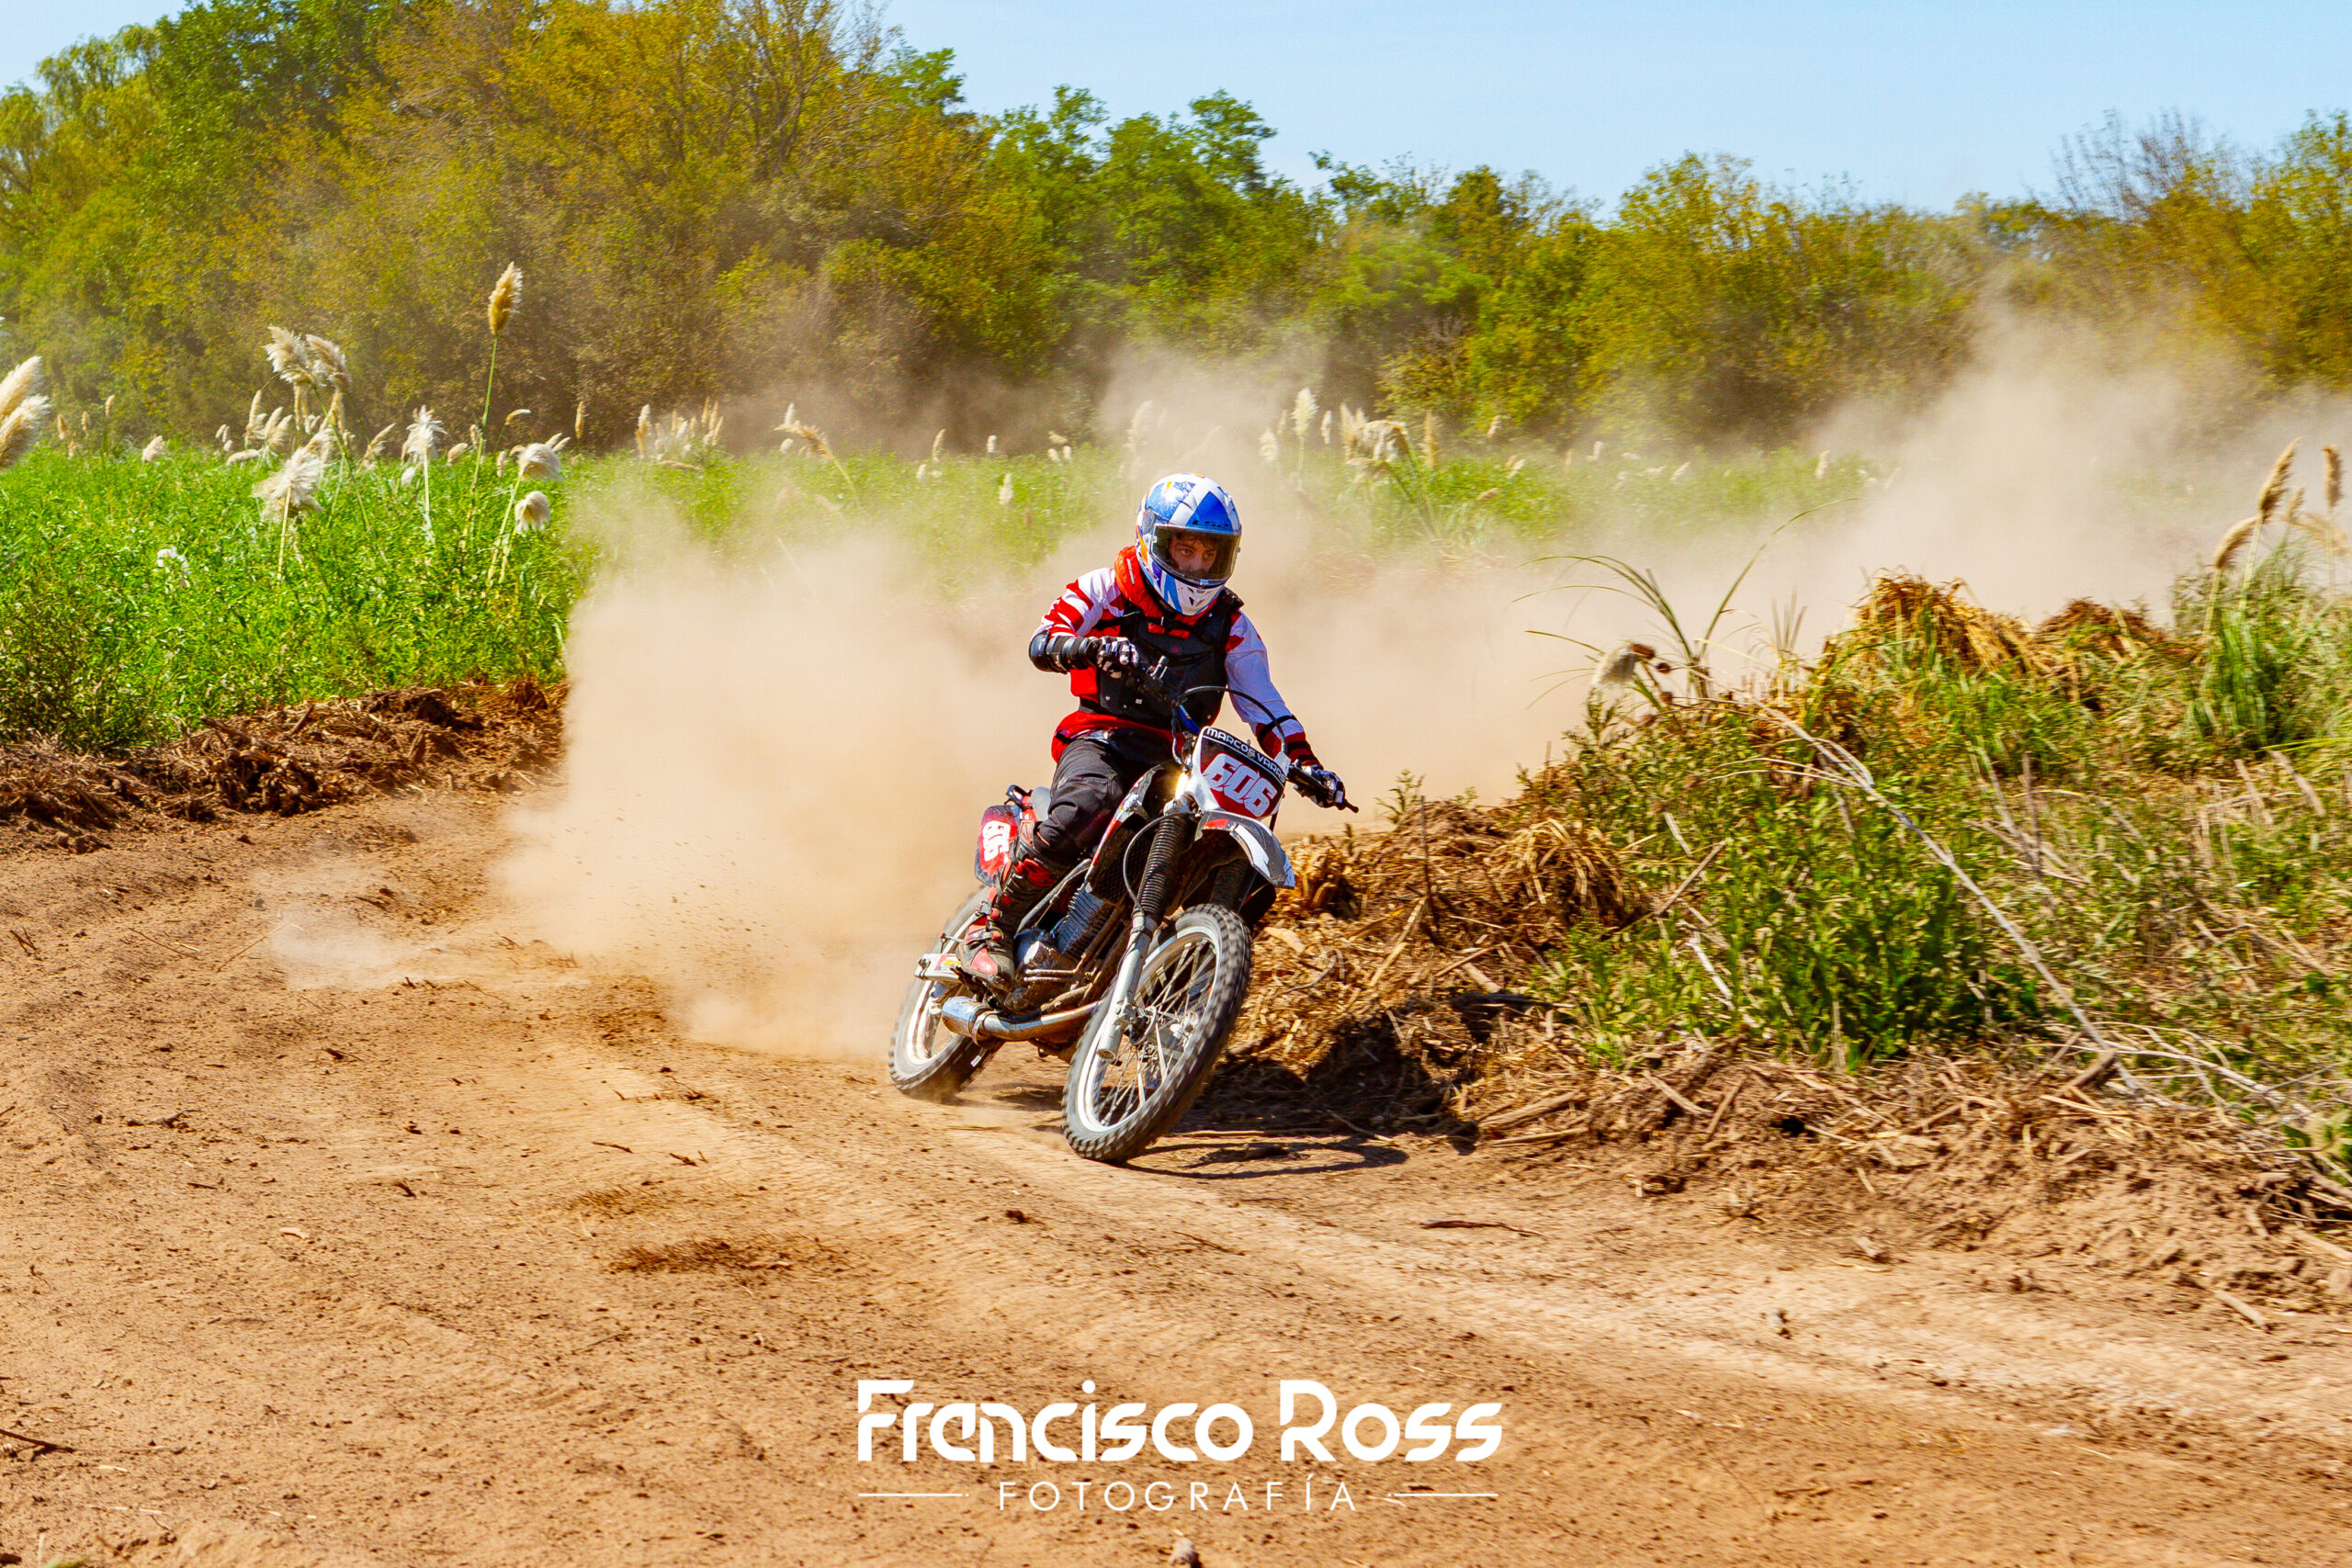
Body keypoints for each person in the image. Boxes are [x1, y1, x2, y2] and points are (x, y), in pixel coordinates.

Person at [967, 472, 1349, 983]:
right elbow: (1044, 639)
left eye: (1209, 553)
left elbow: (1265, 705)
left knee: (1235, 862)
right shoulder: (1107, 587)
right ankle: (991, 925)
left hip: (1180, 761)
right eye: (1184, 549)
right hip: (1103, 738)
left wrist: (1306, 764)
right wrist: (1091, 647)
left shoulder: (1232, 626)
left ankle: (1182, 984)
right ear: (1153, 539)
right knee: (1091, 802)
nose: (1196, 565)